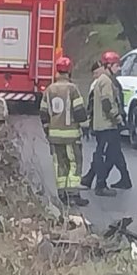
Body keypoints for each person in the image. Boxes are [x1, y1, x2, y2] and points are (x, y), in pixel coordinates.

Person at [40, 56, 89, 207]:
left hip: (54, 136)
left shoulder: (49, 89)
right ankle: (73, 194)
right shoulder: (72, 89)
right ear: (69, 71)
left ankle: (62, 194)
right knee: (74, 163)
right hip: (71, 135)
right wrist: (85, 125)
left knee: (60, 164)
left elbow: (43, 113)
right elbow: (80, 112)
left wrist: (48, 130)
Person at [81, 52, 132, 196]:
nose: (119, 68)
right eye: (116, 65)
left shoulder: (103, 80)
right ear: (108, 66)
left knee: (110, 153)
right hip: (107, 125)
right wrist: (118, 119)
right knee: (103, 154)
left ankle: (92, 179)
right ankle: (100, 185)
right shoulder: (106, 81)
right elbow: (107, 103)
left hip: (103, 124)